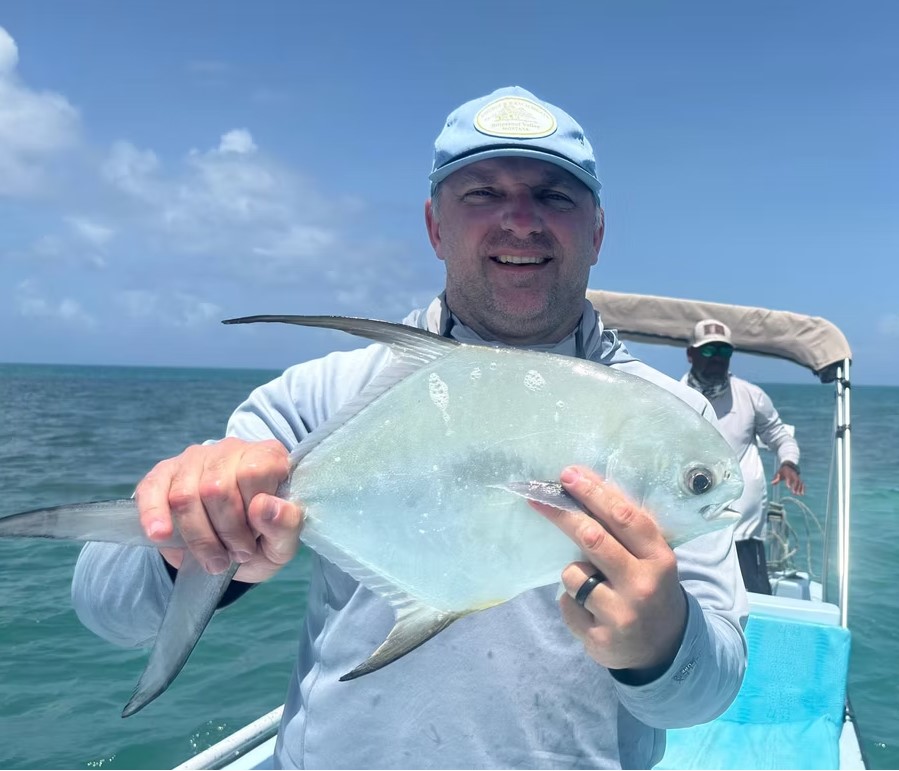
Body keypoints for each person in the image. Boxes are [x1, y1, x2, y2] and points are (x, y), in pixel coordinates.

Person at [72, 86, 747, 769]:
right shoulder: (322, 397)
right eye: (482, 193)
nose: (521, 220)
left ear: (597, 232)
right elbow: (106, 607)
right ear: (434, 226)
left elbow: (709, 690)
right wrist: (187, 539)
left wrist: (661, 643)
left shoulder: (670, 422)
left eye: (555, 196)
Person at [681, 318, 805, 595]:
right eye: (709, 351)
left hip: (744, 534)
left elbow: (780, 437)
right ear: (691, 354)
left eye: (724, 352)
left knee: (756, 604)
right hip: (689, 533)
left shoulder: (751, 396)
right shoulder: (674, 396)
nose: (717, 359)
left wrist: (788, 462)